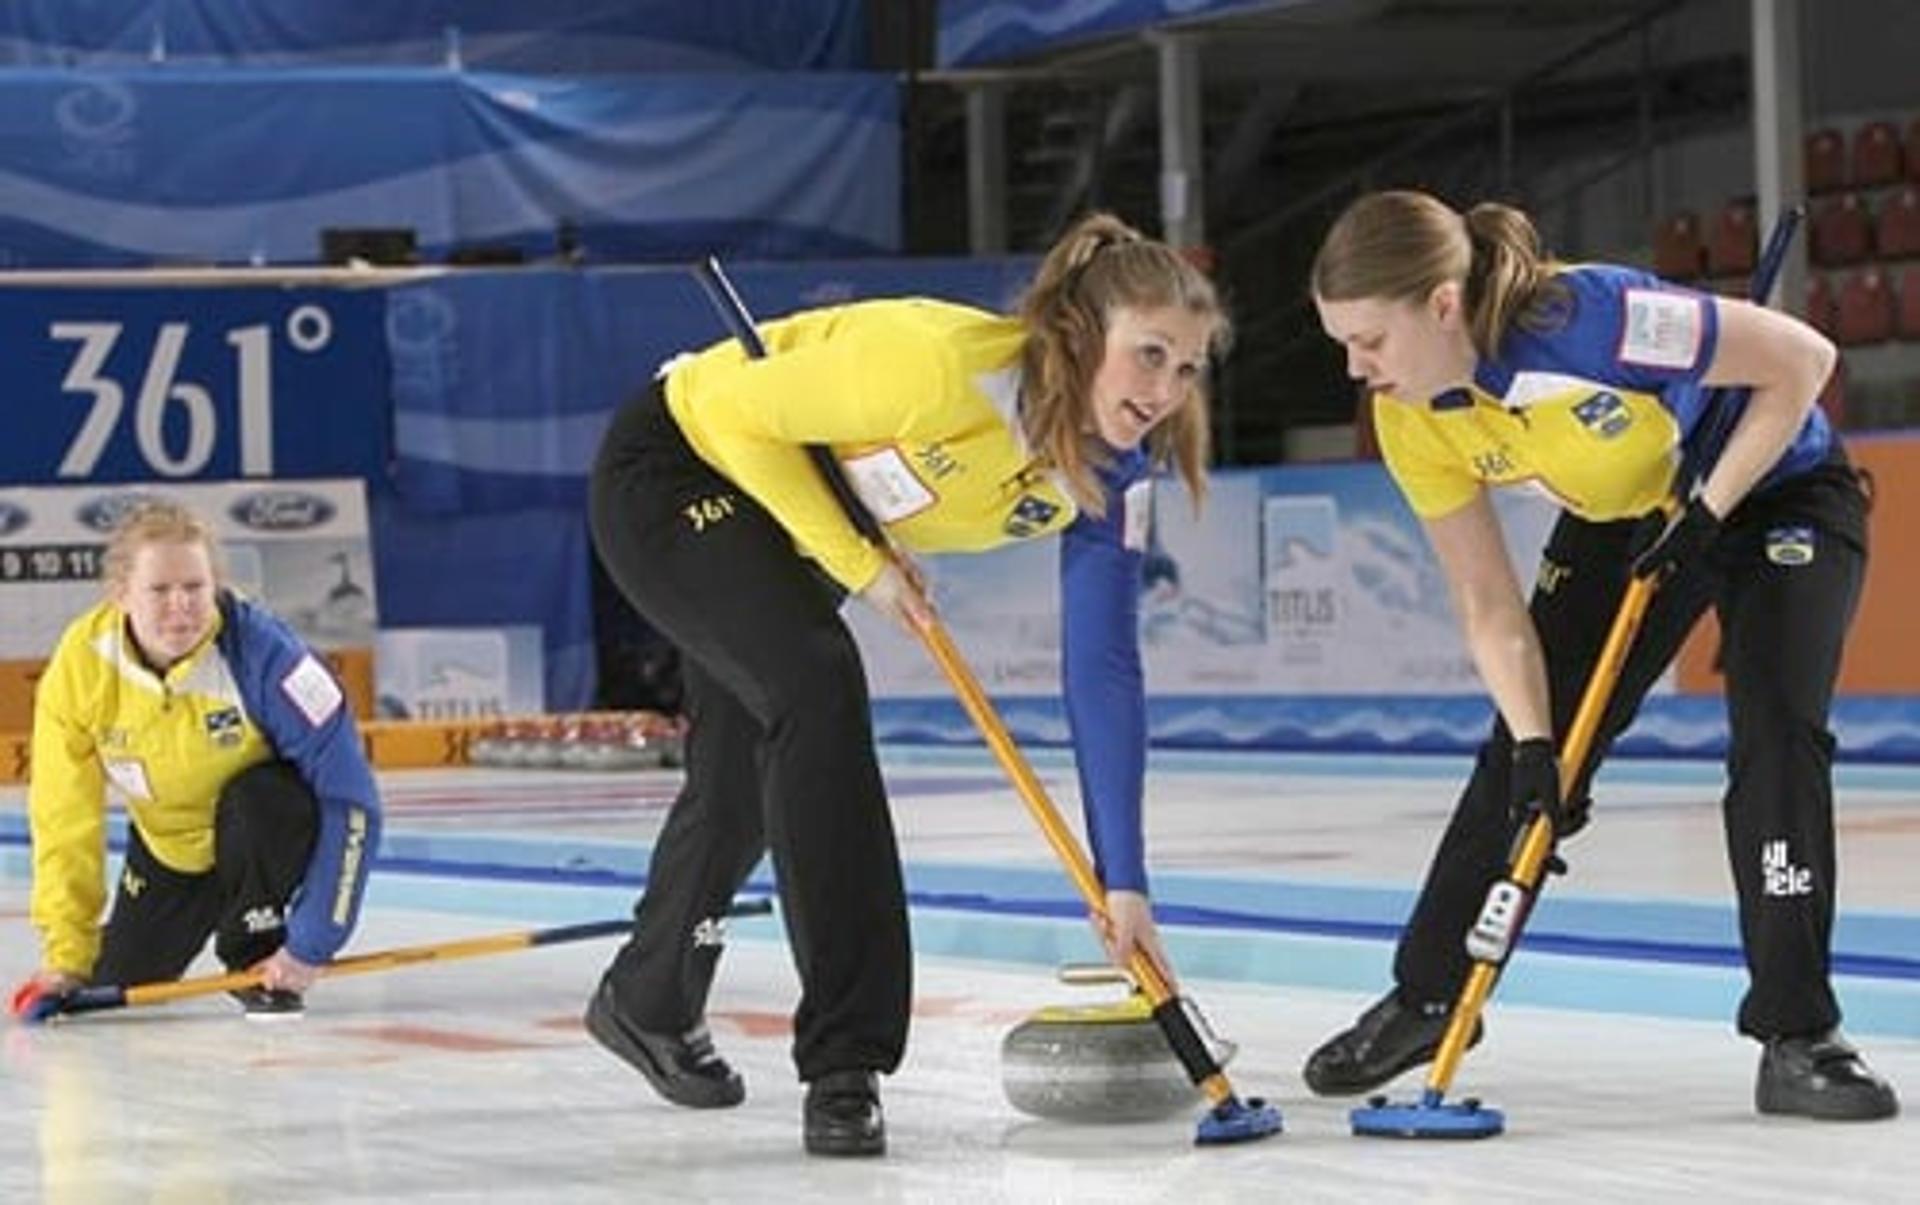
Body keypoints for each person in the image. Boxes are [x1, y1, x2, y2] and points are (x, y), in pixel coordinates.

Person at [584, 212, 1227, 1156]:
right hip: (681, 466)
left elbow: (1102, 666)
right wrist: (862, 563)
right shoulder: (937, 366)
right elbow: (730, 415)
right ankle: (846, 1060)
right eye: (1150, 355)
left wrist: (1123, 879)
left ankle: (647, 997)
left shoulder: (1111, 476)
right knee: (817, 681)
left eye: (1189, 368)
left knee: (743, 784)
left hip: (793, 525)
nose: (1165, 391)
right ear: (1081, 336)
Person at [1305, 189, 1897, 1121]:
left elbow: (1801, 361)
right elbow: (1487, 604)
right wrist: (1544, 748)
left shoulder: (1590, 321)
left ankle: (1798, 1032)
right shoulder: (1410, 417)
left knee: (1778, 732)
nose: (1355, 365)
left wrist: (1709, 512)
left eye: (1369, 339)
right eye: (1341, 341)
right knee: (1521, 755)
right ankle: (1430, 994)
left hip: (1777, 485)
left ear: (1442, 307)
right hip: (1624, 514)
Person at [18, 501, 382, 1019]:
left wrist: (311, 944)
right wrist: (66, 957)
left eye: (195, 588)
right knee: (122, 982)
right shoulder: (81, 665)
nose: (181, 606)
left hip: (259, 833)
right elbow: (63, 816)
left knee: (266, 799)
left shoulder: (269, 657)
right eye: (160, 591)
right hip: (169, 851)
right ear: (121, 595)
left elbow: (352, 801)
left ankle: (254, 942)